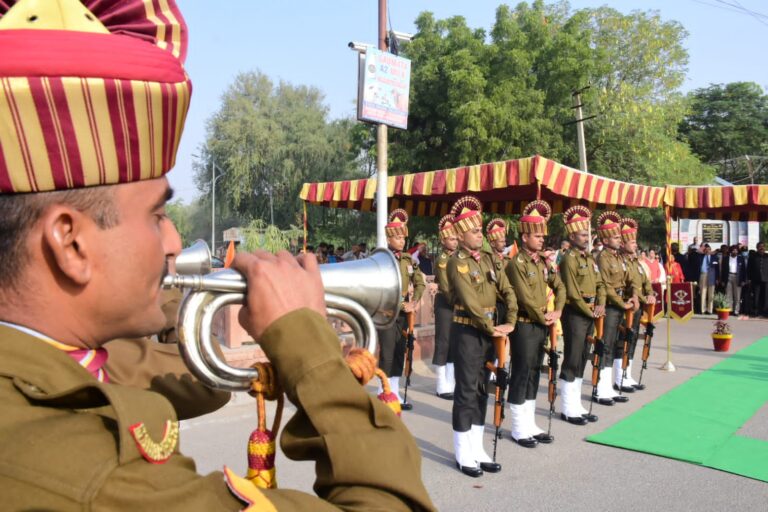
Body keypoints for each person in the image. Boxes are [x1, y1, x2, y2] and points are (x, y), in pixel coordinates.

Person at [0, 2, 436, 510]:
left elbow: (196, 385)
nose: (171, 244)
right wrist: (307, 342)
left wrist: (158, 290)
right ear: (70, 243)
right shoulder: (95, 475)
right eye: (156, 215)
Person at [447, 196, 516, 477]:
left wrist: (510, 320)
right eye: (475, 231)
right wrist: (492, 329)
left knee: (481, 390)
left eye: (480, 231)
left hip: (491, 332)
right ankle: (463, 452)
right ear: (462, 234)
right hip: (468, 332)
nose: (480, 235)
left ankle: (477, 448)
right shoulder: (457, 262)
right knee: (465, 392)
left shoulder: (488, 259)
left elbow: (507, 289)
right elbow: (470, 300)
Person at [505, 200, 565, 447]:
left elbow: (559, 286)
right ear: (525, 236)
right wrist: (546, 318)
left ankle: (529, 423)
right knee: (521, 373)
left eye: (543, 236)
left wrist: (558, 311)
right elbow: (525, 299)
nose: (542, 240)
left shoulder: (543, 262)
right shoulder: (515, 264)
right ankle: (518, 427)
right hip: (525, 324)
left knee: (533, 373)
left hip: (542, 323)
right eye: (537, 236)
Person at [558, 206, 605, 425]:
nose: (587, 238)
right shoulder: (569, 259)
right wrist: (590, 312)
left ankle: (576, 404)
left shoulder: (588, 259)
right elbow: (573, 293)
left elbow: (600, 284)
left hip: (590, 313)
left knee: (583, 357)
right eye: (583, 235)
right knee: (572, 358)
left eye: (588, 234)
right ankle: (568, 408)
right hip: (576, 313)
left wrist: (601, 304)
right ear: (572, 235)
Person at [376, 209, 425, 411]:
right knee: (387, 354)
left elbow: (420, 282)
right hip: (387, 312)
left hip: (404, 313)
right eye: (397, 237)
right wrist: (400, 304)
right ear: (388, 237)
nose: (402, 241)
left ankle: (394, 394)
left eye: (403, 237)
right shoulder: (380, 258)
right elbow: (379, 288)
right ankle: (383, 394)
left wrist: (416, 301)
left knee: (399, 352)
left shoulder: (408, 260)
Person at [595, 211, 633, 406]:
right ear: (606, 239)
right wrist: (621, 302)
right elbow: (605, 285)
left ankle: (608, 387)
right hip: (610, 306)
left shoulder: (617, 257)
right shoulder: (603, 258)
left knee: (615, 344)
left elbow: (627, 279)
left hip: (619, 304)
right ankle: (600, 388)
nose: (620, 240)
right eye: (616, 237)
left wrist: (633, 295)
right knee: (606, 346)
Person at [615, 219, 656, 392]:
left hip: (638, 307)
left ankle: (627, 374)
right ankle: (619, 377)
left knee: (631, 341)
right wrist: (643, 298)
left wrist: (651, 294)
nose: (635, 245)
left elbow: (645, 283)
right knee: (621, 342)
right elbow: (630, 286)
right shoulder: (621, 262)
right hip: (627, 306)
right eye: (632, 242)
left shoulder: (636, 263)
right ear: (623, 244)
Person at [433, 215, 458, 399]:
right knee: (443, 342)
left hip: (458, 303)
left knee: (454, 342)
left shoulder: (458, 257)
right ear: (443, 240)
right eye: (451, 238)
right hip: (445, 303)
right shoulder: (442, 259)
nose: (455, 242)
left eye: (456, 238)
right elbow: (446, 286)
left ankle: (451, 381)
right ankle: (441, 384)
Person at [720, 245, 747, 316]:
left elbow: (744, 270)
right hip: (728, 276)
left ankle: (736, 311)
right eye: (733, 250)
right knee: (728, 295)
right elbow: (723, 270)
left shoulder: (741, 259)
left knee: (737, 295)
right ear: (730, 251)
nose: (735, 252)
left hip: (737, 277)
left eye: (736, 250)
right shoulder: (726, 258)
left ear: (738, 251)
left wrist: (743, 280)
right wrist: (722, 280)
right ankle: (729, 310)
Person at [747, 242, 768, 317]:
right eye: (760, 246)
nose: (761, 248)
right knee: (756, 296)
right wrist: (749, 278)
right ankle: (755, 311)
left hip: (766, 279)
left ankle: (765, 312)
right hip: (755, 279)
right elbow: (749, 268)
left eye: (763, 246)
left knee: (765, 296)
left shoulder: (767, 256)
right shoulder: (753, 256)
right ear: (757, 248)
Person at [698, 244, 717, 314]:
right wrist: (702, 249)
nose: (707, 251)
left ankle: (710, 310)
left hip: (711, 275)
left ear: (710, 250)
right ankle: (703, 309)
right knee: (703, 292)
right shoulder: (700, 256)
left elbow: (717, 268)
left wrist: (717, 278)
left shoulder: (714, 257)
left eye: (709, 249)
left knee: (711, 293)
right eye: (706, 249)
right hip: (703, 275)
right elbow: (697, 251)